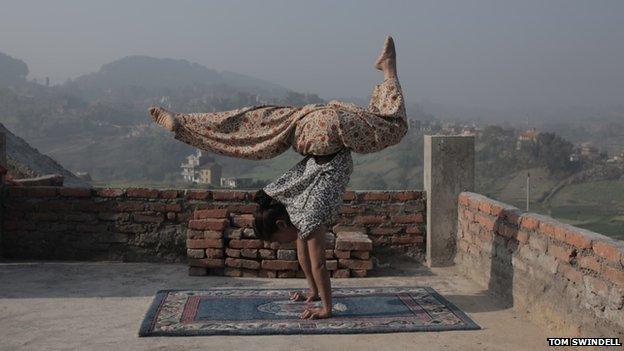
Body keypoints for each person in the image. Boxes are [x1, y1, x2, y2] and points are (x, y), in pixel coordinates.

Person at [150, 36, 406, 320]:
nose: (283, 243)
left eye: (278, 239)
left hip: (326, 129)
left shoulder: (307, 219)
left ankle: (389, 69)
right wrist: (312, 292)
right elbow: (305, 257)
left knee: (395, 126)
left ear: (282, 223)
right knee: (248, 131)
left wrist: (326, 307)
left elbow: (318, 263)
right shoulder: (299, 212)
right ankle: (184, 123)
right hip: (308, 122)